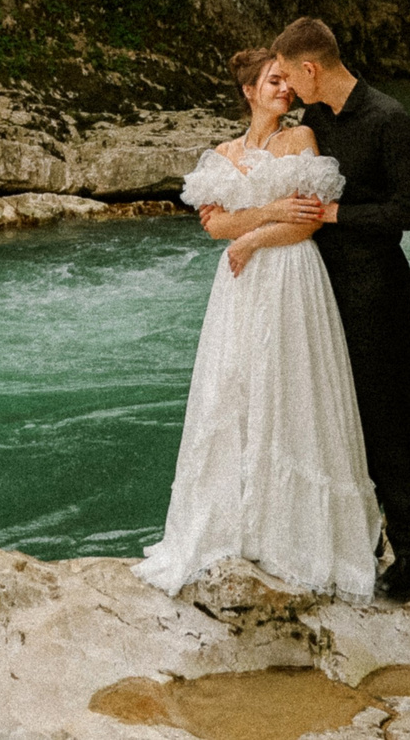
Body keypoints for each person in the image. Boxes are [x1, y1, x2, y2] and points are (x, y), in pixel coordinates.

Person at [133, 48, 382, 600]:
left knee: (290, 391)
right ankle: (235, 525)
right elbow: (215, 226)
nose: (284, 90)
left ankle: (295, 534)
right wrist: (265, 215)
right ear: (248, 90)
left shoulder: (301, 141)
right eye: (273, 82)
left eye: (287, 82)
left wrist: (250, 235)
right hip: (240, 287)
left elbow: (307, 223)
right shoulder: (221, 154)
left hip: (292, 277)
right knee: (234, 392)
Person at [261, 15, 410, 603]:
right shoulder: (314, 119)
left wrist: (340, 217)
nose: (286, 87)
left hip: (376, 286)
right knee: (335, 411)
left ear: (311, 69)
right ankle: (353, 537)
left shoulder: (390, 120)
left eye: (288, 75)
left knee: (389, 413)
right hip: (317, 286)